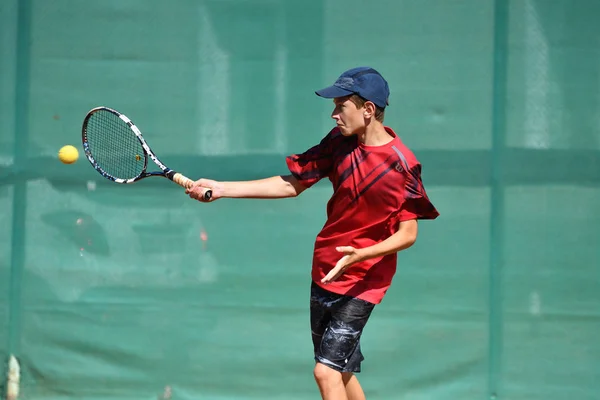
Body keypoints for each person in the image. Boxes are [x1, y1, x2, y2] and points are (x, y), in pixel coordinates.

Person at [186, 66, 439, 400]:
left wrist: (363, 253)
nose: (334, 115)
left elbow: (408, 233)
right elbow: (293, 184)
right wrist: (222, 188)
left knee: (325, 372)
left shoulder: (401, 164)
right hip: (324, 271)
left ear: (367, 110)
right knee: (341, 371)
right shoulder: (338, 143)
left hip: (364, 279)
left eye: (341, 106)